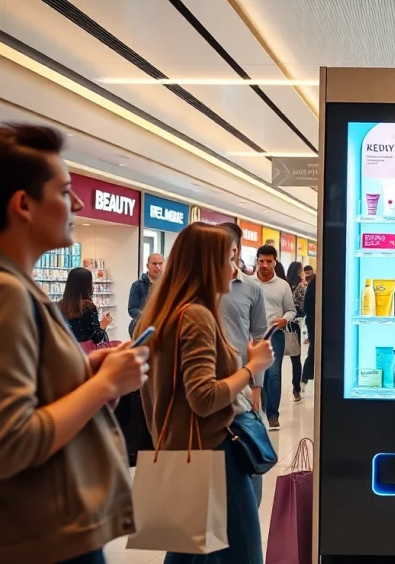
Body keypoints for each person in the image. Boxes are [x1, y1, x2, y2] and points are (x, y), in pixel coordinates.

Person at [0, 125, 149, 563]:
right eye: (65, 192)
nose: (77, 204)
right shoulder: (0, 293)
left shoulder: (2, 283)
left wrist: (87, 376)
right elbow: (9, 443)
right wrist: (104, 385)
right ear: (23, 205)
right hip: (36, 541)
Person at [137, 222, 273, 564]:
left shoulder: (160, 315)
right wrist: (251, 369)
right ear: (207, 263)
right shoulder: (196, 316)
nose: (235, 267)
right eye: (229, 258)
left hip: (180, 449)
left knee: (186, 553)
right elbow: (204, 397)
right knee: (241, 555)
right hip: (214, 453)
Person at [217, 222, 269, 504]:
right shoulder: (193, 293)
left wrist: (257, 384)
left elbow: (259, 334)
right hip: (211, 387)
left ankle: (250, 510)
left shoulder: (251, 289)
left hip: (242, 385)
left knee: (251, 452)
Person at [256, 244, 298, 419]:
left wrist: (284, 320)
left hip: (275, 335)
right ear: (257, 262)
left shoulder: (282, 285)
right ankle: (261, 410)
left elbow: (291, 309)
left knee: (273, 374)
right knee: (258, 375)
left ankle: (273, 414)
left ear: (275, 262)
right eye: (261, 261)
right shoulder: (249, 283)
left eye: (268, 261)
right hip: (253, 336)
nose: (264, 265)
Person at [60, 267, 111, 346]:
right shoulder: (88, 307)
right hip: (83, 353)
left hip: (65, 351)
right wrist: (103, 324)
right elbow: (96, 338)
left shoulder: (59, 305)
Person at [128, 252, 163, 337]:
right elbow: (132, 309)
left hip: (162, 329)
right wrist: (148, 318)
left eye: (160, 263)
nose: (157, 267)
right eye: (154, 263)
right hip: (142, 329)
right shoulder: (137, 285)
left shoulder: (170, 285)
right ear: (147, 266)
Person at [286, 261, 308, 392]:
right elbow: (302, 306)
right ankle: (296, 387)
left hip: (281, 324)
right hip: (294, 325)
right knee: (296, 357)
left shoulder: (284, 285)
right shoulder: (301, 287)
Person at [302, 274, 317, 388]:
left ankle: (304, 378)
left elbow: (306, 306)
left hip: (313, 322)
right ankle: (305, 377)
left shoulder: (314, 282)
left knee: (313, 350)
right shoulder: (316, 282)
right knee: (314, 350)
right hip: (316, 323)